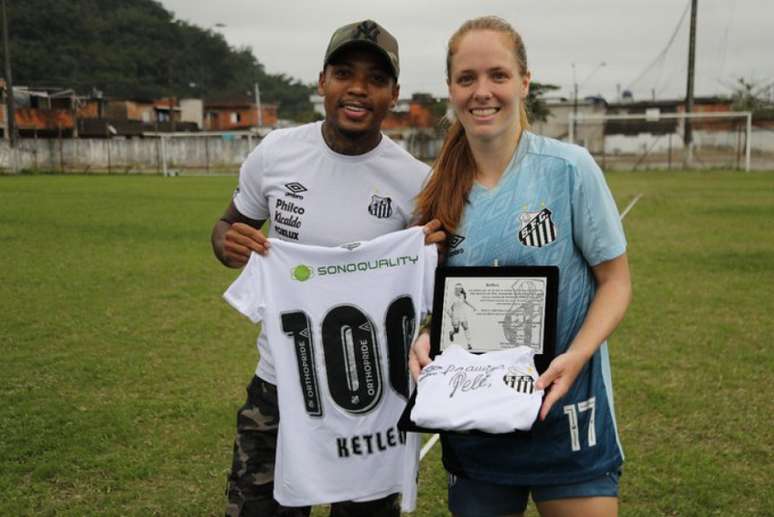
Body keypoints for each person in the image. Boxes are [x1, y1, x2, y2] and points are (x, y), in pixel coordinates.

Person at [211, 19, 443, 517]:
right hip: (278, 389)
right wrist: (228, 243)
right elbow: (227, 226)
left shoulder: (416, 182)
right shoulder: (276, 154)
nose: (358, 89)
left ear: (394, 94)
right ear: (322, 81)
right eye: (344, 73)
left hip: (371, 397)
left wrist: (431, 253)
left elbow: (434, 287)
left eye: (376, 79)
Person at [409, 16, 632, 517]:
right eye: (467, 78)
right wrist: (427, 339)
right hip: (476, 423)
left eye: (498, 75)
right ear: (451, 88)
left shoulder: (569, 169)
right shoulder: (434, 193)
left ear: (524, 82)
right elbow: (440, 307)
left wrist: (576, 356)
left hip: (570, 413)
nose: (482, 91)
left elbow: (615, 281)